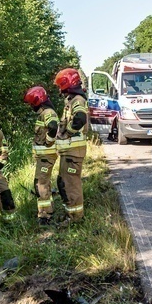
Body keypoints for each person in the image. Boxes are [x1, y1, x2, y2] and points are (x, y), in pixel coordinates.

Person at [54, 68, 90, 222]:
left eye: (61, 85)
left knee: (71, 184)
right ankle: (70, 214)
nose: (60, 89)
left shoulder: (77, 101)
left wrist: (67, 132)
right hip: (69, 152)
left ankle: (76, 218)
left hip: (74, 152)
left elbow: (80, 118)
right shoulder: (72, 100)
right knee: (64, 182)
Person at [22, 85, 60, 224]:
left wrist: (49, 141)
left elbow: (53, 126)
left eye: (32, 103)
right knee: (43, 183)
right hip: (44, 157)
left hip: (46, 157)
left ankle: (45, 216)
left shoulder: (48, 112)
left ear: (37, 101)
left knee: (40, 184)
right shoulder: (44, 113)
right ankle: (48, 210)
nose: (31, 106)